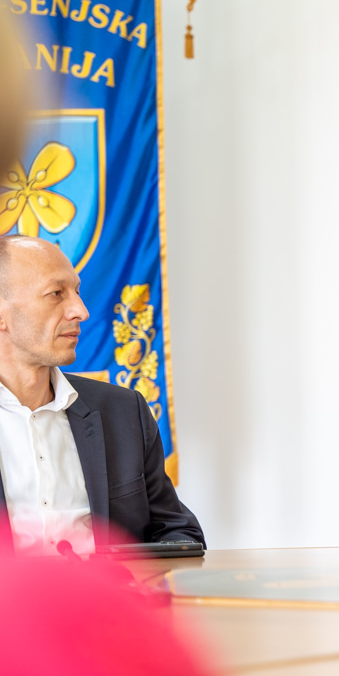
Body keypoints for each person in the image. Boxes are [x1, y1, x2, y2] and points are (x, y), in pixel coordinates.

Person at [0, 235, 203, 555]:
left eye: (77, 292)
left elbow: (177, 531)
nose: (81, 311)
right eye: (56, 293)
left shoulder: (124, 411)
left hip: (110, 589)